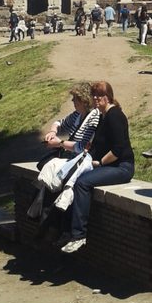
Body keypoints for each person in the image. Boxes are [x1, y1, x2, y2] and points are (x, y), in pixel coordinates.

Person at [61, 81, 135, 253]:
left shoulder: (115, 115)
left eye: (99, 95)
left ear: (108, 97)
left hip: (122, 167)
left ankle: (79, 235)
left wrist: (100, 163)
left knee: (82, 183)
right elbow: (95, 146)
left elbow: (118, 149)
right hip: (108, 165)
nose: (95, 98)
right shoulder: (102, 116)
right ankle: (66, 231)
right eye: (93, 95)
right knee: (69, 178)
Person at [44, 82, 101, 155]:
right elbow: (60, 123)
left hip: (81, 161)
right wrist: (52, 132)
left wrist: (60, 143)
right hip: (71, 157)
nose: (72, 100)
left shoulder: (94, 117)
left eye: (75, 98)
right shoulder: (78, 114)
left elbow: (82, 147)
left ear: (83, 101)